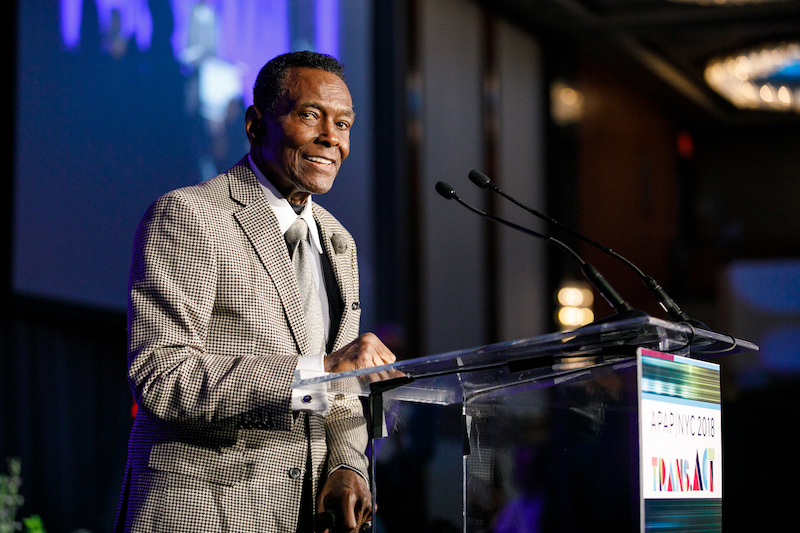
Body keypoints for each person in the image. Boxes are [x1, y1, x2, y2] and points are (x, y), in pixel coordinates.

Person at [113, 51, 396, 533]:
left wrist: (348, 465)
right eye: (311, 115)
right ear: (255, 124)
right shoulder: (191, 216)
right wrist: (322, 370)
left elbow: (342, 395)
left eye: (344, 124)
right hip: (201, 512)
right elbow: (163, 377)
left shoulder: (338, 242)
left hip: (305, 518)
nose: (332, 138)